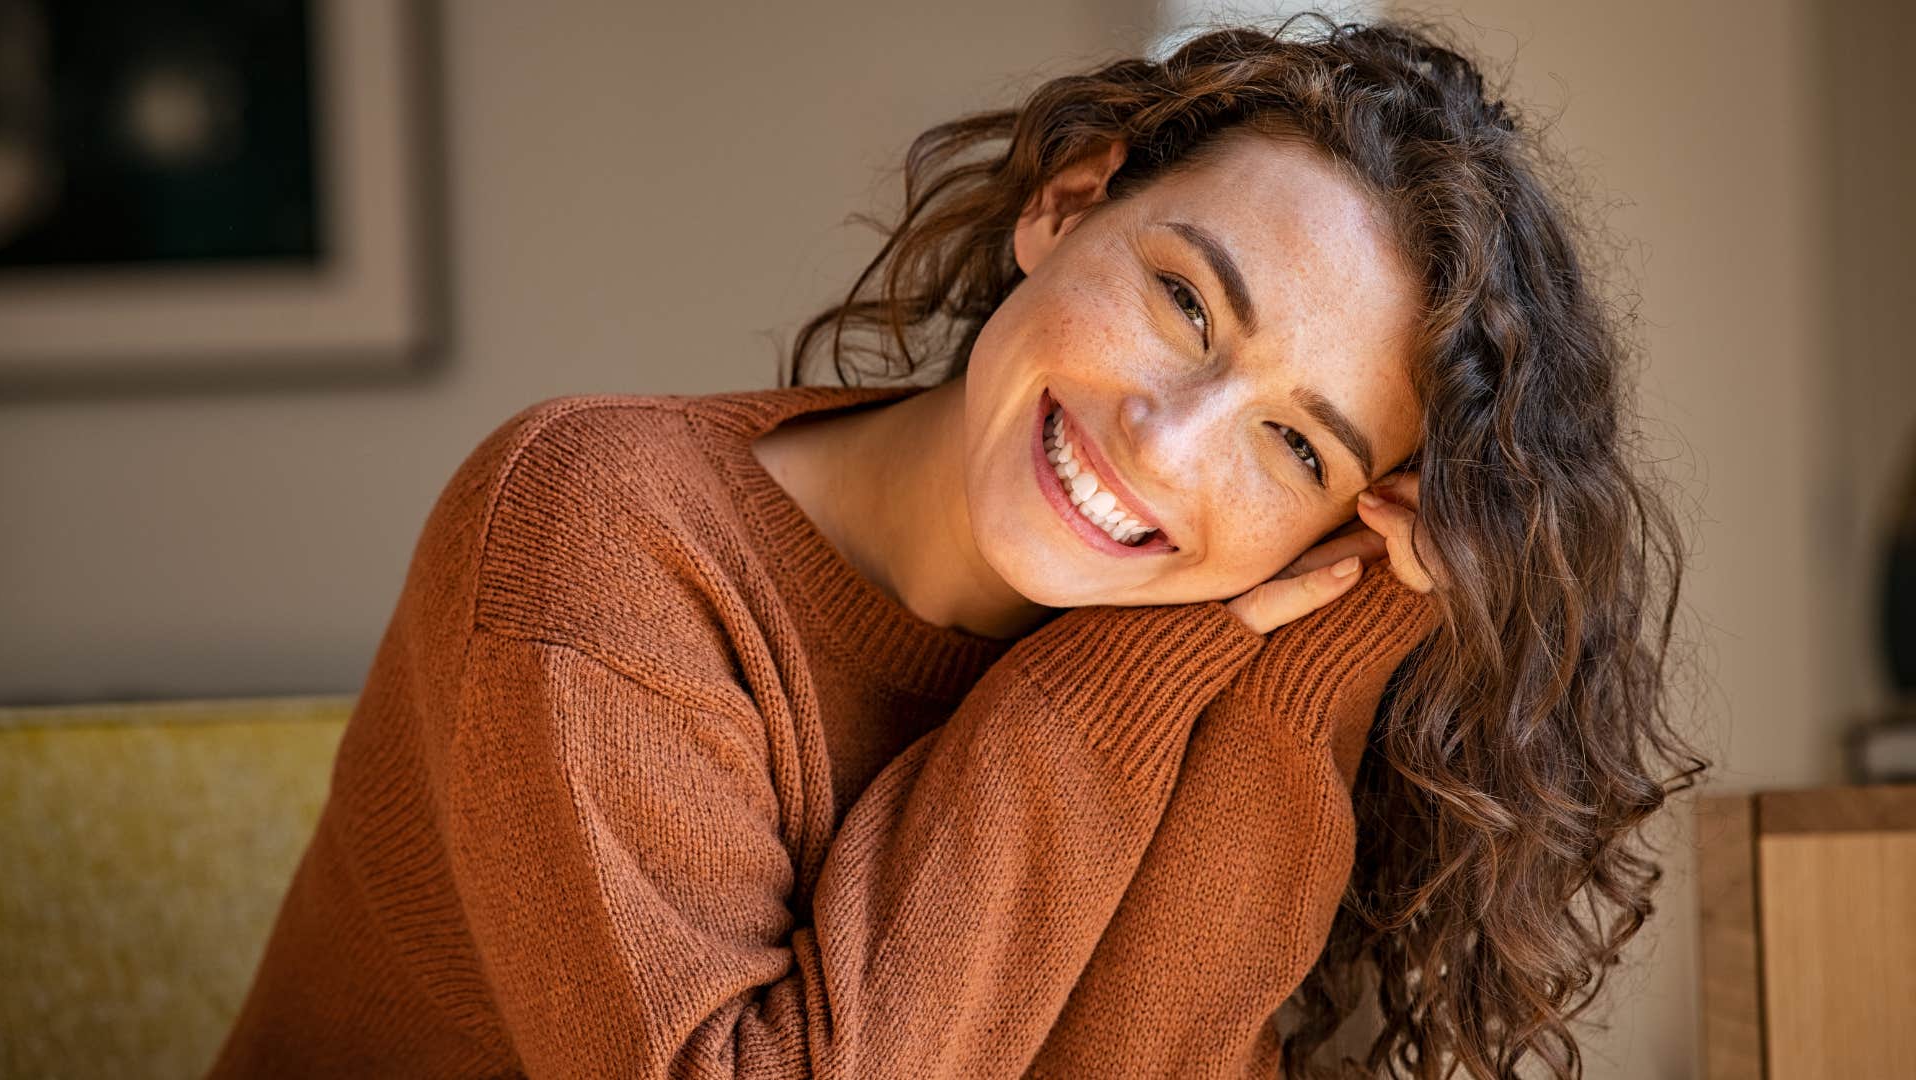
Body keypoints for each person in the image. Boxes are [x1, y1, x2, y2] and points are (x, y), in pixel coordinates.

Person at [210, 14, 1707, 1079]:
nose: (1168, 441)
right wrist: (1101, 690)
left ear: (1347, 523)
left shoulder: (1226, 654)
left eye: (1298, 446)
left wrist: (1308, 651)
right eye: (1188, 304)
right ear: (1066, 208)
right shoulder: (597, 530)